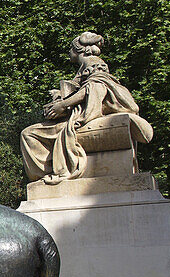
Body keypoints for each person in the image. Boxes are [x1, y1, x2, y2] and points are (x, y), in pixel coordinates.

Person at [20, 32, 150, 184]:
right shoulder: (84, 67)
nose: (69, 52)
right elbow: (84, 90)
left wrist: (63, 105)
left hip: (84, 116)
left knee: (29, 134)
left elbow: (97, 86)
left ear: (78, 49)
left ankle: (50, 174)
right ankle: (48, 175)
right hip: (78, 114)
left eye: (70, 48)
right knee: (30, 133)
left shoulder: (93, 62)